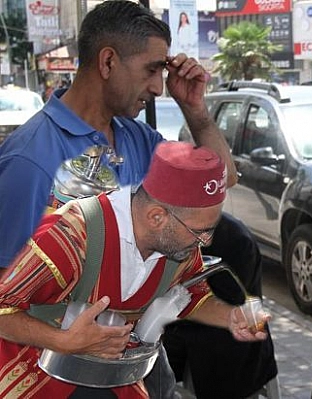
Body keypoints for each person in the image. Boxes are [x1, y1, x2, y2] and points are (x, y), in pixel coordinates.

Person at [0, 0, 276, 397]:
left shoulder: (136, 138)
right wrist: (63, 340)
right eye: (151, 70)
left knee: (237, 242)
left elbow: (219, 180)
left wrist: (195, 109)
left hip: (135, 355)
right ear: (108, 62)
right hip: (46, 373)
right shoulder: (30, 160)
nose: (158, 88)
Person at [0, 141, 268, 398]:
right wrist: (64, 341)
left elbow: (189, 295)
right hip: (32, 378)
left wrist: (230, 317)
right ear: (156, 217)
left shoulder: (179, 246)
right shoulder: (71, 237)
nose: (206, 242)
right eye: (199, 231)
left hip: (114, 379)